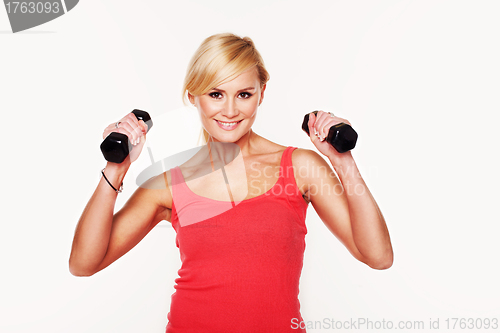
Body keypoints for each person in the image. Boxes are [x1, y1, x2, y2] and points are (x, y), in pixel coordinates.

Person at [69, 32, 393, 332]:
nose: (230, 110)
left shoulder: (300, 167)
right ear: (193, 96)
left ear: (261, 94)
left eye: (244, 94)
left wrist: (341, 160)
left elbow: (378, 256)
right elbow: (84, 264)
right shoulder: (169, 184)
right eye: (215, 94)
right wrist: (116, 168)